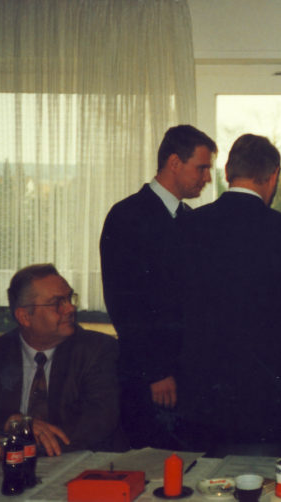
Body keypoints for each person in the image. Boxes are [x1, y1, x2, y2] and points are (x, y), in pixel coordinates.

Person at [176, 134, 281, 455]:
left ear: (227, 172)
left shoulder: (188, 225)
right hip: (268, 400)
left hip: (201, 396)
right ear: (273, 176)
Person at [99, 124, 217, 449]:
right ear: (175, 163)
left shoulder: (189, 219)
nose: (207, 178)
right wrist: (156, 371)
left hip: (187, 378)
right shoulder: (127, 216)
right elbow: (124, 304)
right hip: (151, 379)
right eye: (202, 168)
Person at [0, 264, 127, 456]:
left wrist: (14, 446)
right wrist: (10, 423)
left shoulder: (96, 350)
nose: (70, 308)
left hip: (75, 464)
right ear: (25, 317)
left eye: (69, 298)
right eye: (57, 303)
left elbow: (98, 423)